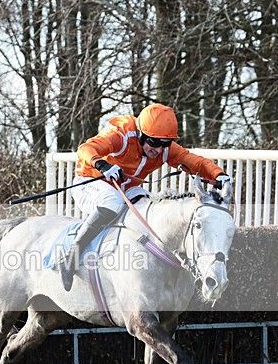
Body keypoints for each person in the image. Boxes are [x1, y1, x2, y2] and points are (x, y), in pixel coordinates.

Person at [58, 103, 233, 291]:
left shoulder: (164, 148)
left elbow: (194, 161)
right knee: (112, 202)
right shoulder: (122, 132)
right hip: (89, 181)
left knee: (150, 208)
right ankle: (70, 258)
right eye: (153, 142)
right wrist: (102, 165)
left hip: (126, 188)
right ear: (141, 133)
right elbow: (86, 149)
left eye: (164, 144)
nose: (158, 149)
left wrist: (218, 175)